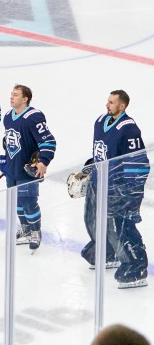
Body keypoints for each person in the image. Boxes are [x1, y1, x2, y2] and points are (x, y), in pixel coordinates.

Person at [77, 90, 150, 287]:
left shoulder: (129, 129)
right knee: (91, 218)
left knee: (120, 225)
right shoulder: (100, 121)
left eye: (111, 102)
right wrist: (90, 169)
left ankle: (137, 266)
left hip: (119, 188)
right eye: (107, 101)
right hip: (99, 182)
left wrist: (129, 194)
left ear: (122, 106)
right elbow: (101, 153)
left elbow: (139, 164)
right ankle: (107, 251)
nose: (107, 105)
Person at [1, 84, 56, 251]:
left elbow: (48, 141)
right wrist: (5, 159)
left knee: (29, 202)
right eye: (11, 94)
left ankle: (35, 231)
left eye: (16, 95)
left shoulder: (34, 117)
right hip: (12, 168)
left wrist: (43, 161)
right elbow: (9, 141)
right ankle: (25, 228)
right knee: (17, 202)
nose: (11, 97)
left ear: (25, 99)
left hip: (27, 170)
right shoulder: (8, 116)